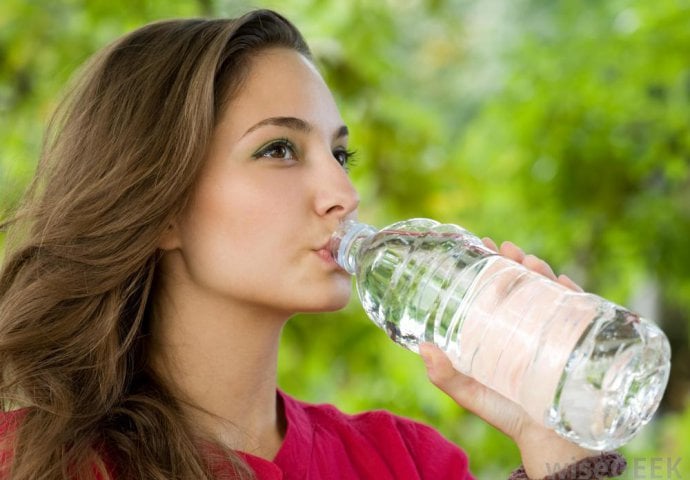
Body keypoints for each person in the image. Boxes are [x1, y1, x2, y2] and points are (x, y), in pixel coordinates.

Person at [0, 8, 627, 480]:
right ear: (163, 206)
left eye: (340, 153)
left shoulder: (406, 462)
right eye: (279, 149)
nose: (342, 193)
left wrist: (556, 447)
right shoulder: (32, 460)